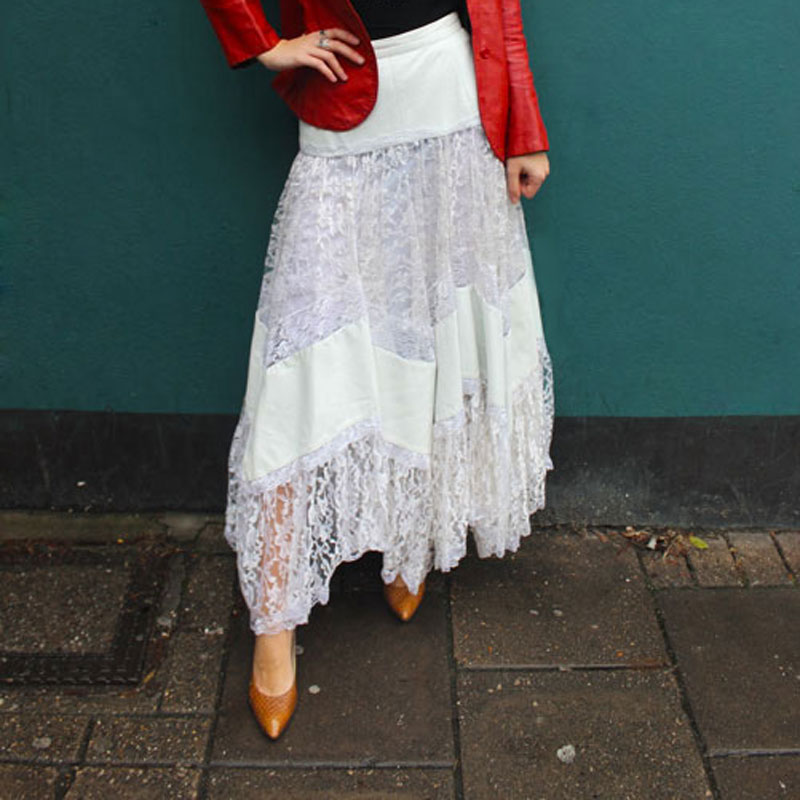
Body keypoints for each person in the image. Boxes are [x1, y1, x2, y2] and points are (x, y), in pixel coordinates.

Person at [199, 0, 555, 740]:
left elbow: (500, 12)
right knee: (299, 368)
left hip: (455, 105)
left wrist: (525, 128)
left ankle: (408, 539)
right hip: (345, 105)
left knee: (429, 335)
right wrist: (264, 44)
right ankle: (273, 621)